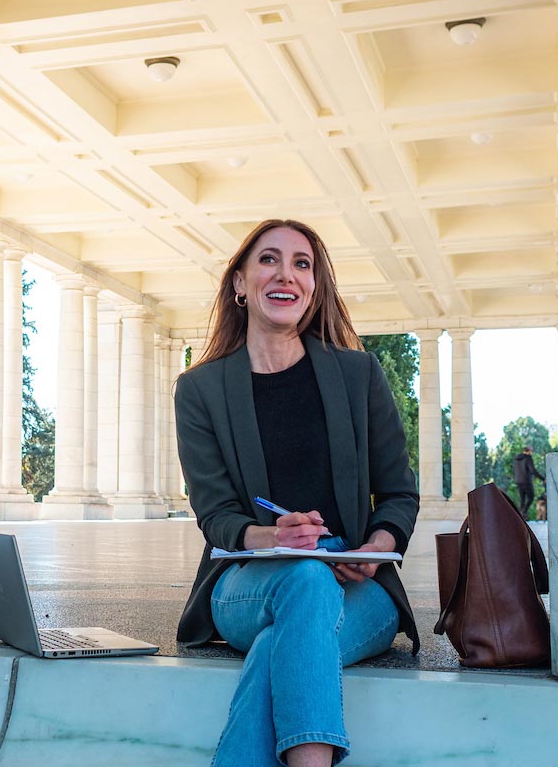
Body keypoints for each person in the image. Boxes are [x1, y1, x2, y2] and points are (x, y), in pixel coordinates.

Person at [174, 219, 419, 767]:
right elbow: (215, 514)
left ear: (315, 286)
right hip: (248, 583)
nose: (286, 274)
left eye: (302, 264)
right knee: (304, 579)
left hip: (360, 588)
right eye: (269, 260)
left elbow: (400, 493)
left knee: (276, 648)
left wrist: (378, 546)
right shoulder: (200, 389)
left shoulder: (359, 375)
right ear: (239, 283)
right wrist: (272, 535)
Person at [512, 446, 545, 518]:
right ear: (529, 451)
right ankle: (524, 511)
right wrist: (543, 478)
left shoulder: (516, 459)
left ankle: (521, 516)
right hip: (526, 481)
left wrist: (516, 478)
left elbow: (513, 470)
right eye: (531, 451)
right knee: (531, 497)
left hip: (518, 481)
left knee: (522, 499)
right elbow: (533, 470)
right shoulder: (528, 458)